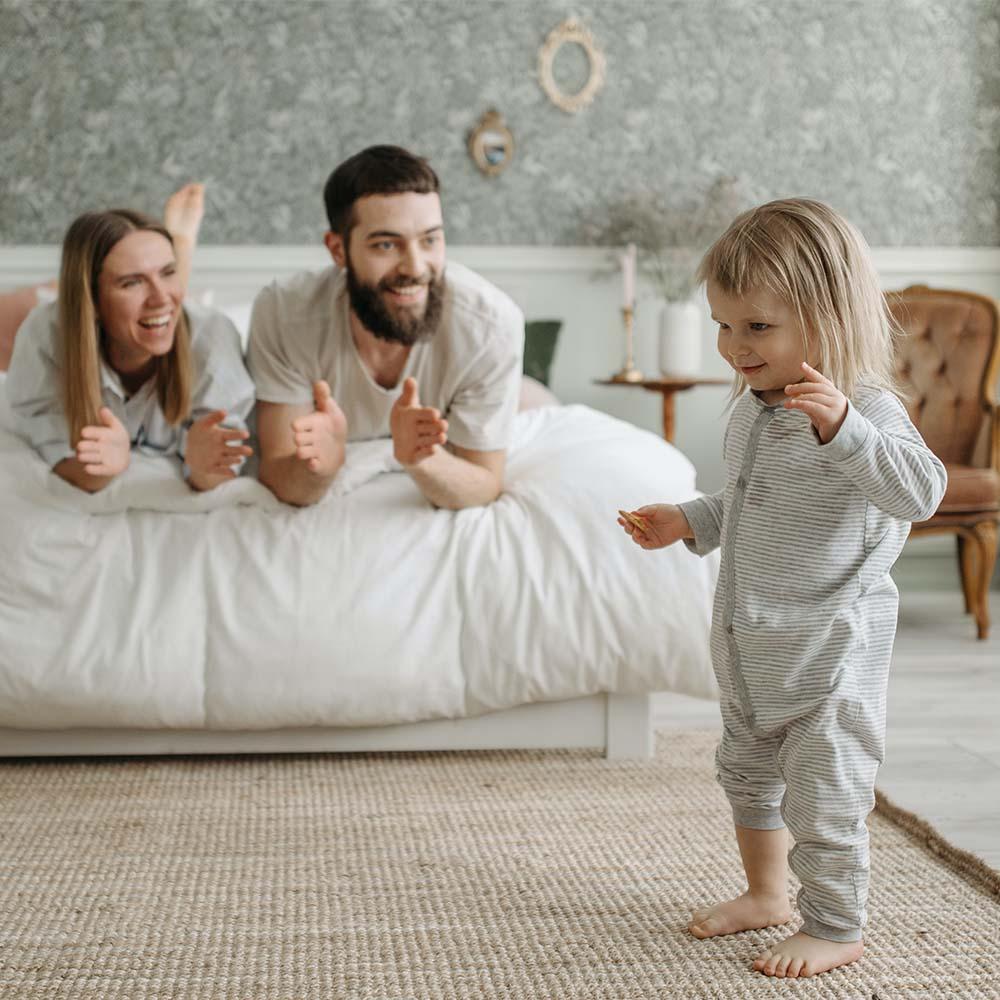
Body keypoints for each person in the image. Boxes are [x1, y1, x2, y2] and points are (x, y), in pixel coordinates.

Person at [618, 199, 947, 978]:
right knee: (746, 777)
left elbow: (921, 491)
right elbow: (751, 506)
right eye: (723, 325)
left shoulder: (864, 409)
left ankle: (837, 924)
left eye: (756, 328)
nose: (733, 346)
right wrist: (690, 519)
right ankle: (766, 894)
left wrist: (846, 432)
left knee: (825, 799)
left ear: (827, 317)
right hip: (750, 648)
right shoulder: (752, 411)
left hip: (828, 659)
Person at [247, 144, 523, 509]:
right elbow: (279, 472)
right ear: (338, 250)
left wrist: (423, 459)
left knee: (532, 401)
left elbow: (485, 483)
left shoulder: (490, 326)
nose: (415, 266)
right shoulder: (284, 313)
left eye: (430, 239)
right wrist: (320, 469)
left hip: (482, 386)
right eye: (386, 244)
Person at [6, 197, 254, 493]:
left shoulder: (212, 338)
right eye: (131, 282)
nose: (161, 297)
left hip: (182, 336)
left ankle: (181, 246)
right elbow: (58, 459)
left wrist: (203, 469)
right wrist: (104, 469)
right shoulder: (44, 337)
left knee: (168, 315)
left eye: (168, 272)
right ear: (92, 300)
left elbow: (218, 477)